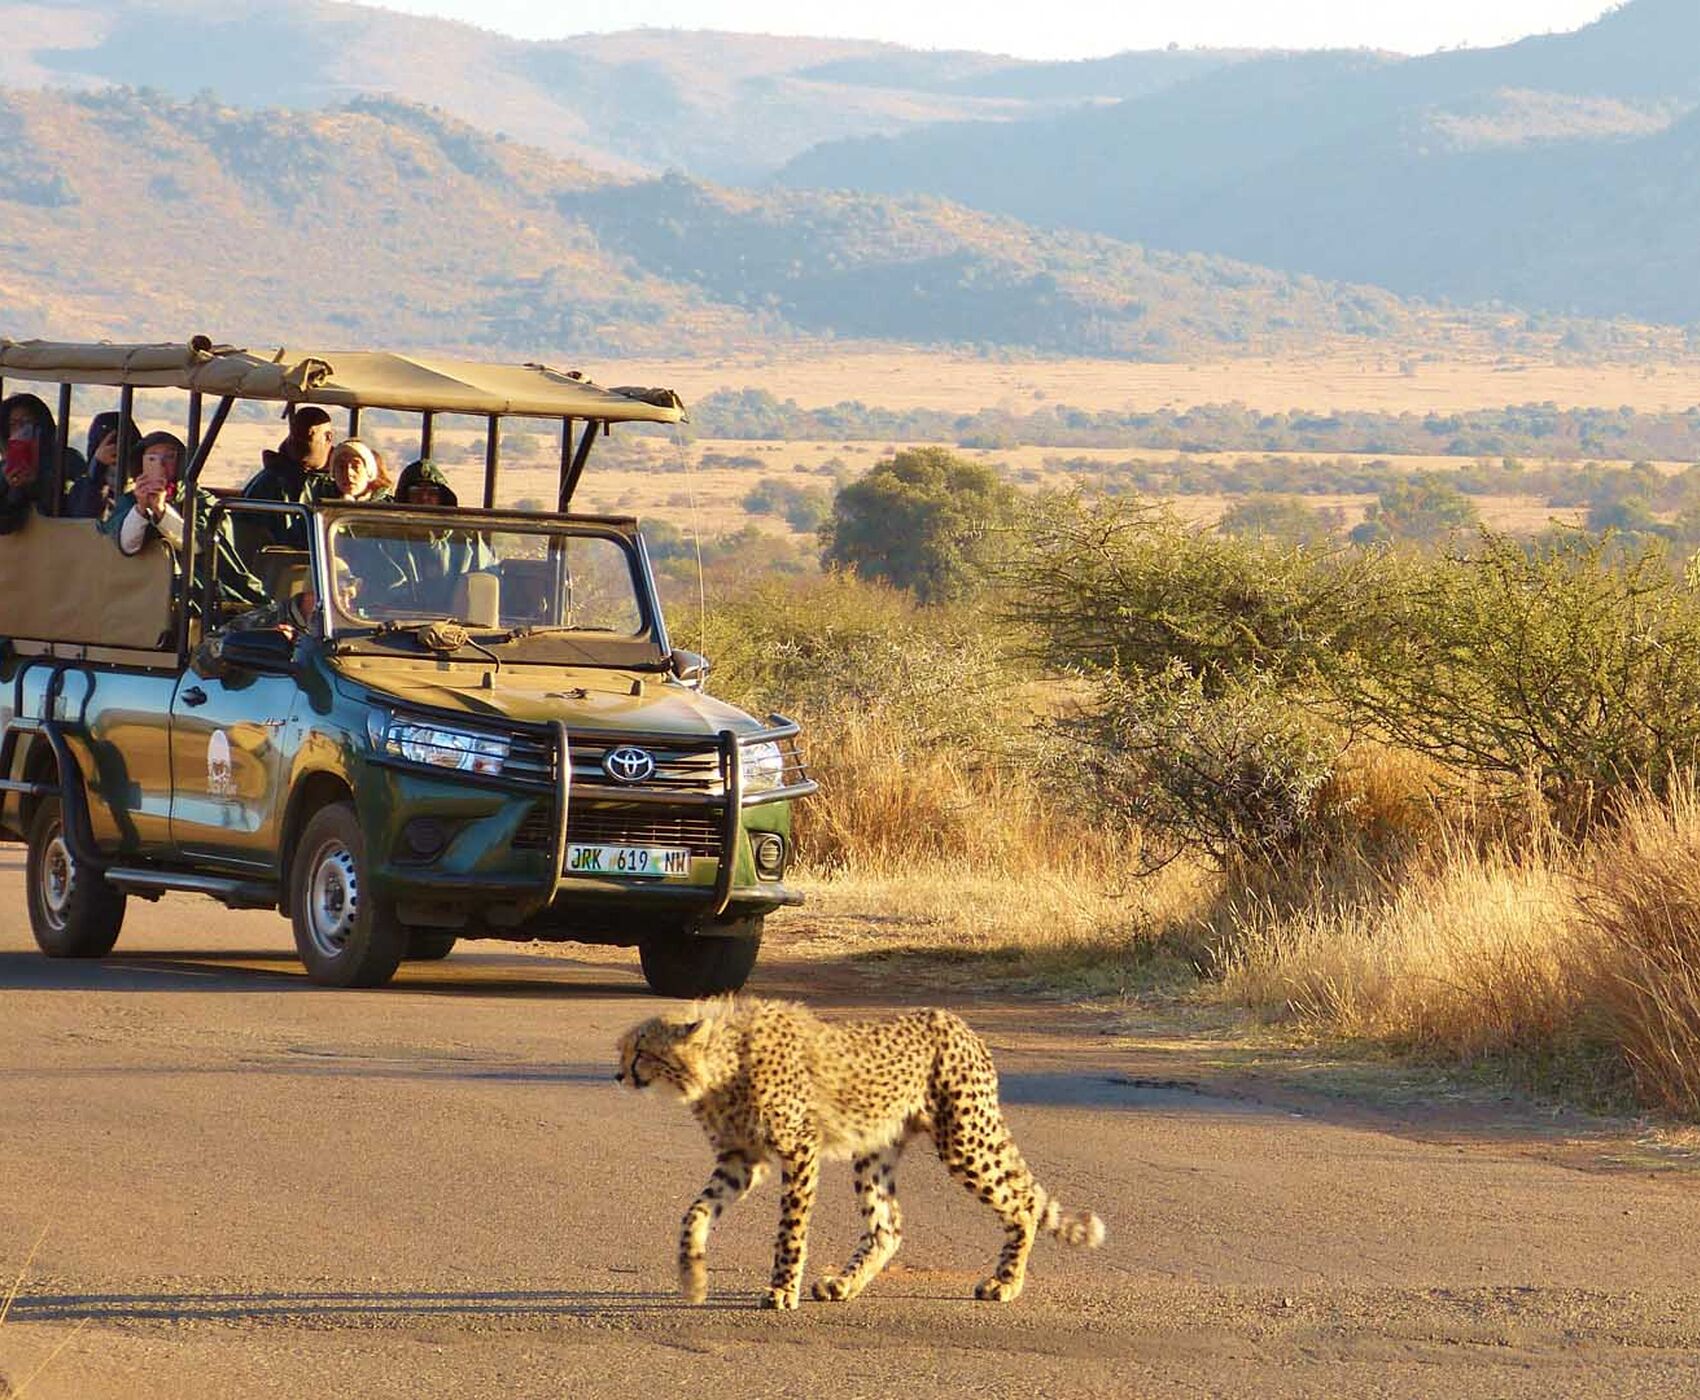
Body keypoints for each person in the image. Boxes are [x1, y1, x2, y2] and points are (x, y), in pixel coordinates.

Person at [104, 430, 267, 616]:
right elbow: (126, 544)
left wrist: (161, 510)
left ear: (181, 462)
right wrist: (141, 508)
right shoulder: (128, 502)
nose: (162, 464)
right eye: (152, 458)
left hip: (198, 594)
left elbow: (197, 544)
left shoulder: (201, 501)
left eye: (170, 457)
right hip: (136, 596)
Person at [388, 459, 494, 613]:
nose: (424, 499)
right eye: (416, 492)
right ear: (405, 497)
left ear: (442, 498)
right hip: (397, 623)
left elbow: (487, 578)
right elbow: (385, 586)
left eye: (431, 493)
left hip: (458, 625)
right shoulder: (387, 538)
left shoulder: (467, 539)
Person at [240, 404, 336, 551]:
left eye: (307, 436)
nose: (297, 443)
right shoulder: (269, 483)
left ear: (328, 437)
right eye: (294, 435)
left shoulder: (339, 481)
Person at [0, 392, 86, 534]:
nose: (20, 429)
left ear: (41, 427)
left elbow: (78, 513)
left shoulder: (67, 461)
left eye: (26, 422)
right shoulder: (3, 470)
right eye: (13, 424)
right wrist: (13, 489)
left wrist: (38, 482)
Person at [66, 409, 139, 521]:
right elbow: (84, 524)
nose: (114, 470)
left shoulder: (144, 491)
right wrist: (97, 474)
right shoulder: (82, 489)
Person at [326, 438, 392, 503]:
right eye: (341, 467)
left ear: (369, 472)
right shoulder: (320, 504)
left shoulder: (390, 508)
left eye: (355, 466)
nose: (348, 473)